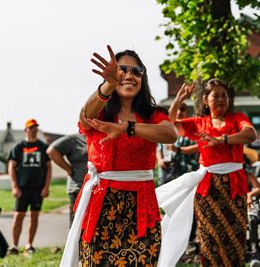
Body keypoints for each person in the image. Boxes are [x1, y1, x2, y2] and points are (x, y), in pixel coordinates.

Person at [60, 46, 177, 267]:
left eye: (137, 71)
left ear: (143, 78)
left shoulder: (152, 114)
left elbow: (170, 134)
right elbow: (85, 117)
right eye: (123, 69)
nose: (130, 75)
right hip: (102, 203)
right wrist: (109, 84)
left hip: (141, 205)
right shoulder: (101, 111)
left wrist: (129, 128)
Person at [156, 79, 257, 266]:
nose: (221, 99)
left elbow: (251, 134)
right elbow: (168, 125)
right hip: (208, 188)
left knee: (236, 237)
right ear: (205, 100)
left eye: (224, 95)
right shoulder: (199, 123)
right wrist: (178, 99)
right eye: (216, 95)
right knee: (209, 238)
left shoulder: (237, 118)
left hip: (234, 184)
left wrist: (221, 140)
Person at [8, 119, 52, 255]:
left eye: (35, 127)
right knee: (18, 216)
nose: (33, 130)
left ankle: (29, 245)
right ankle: (14, 246)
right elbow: (11, 166)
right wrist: (14, 186)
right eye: (31, 127)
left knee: (34, 216)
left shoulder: (43, 147)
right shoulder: (19, 147)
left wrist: (46, 187)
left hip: (38, 188)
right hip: (22, 188)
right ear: (25, 130)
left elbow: (49, 167)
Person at [47, 133, 88, 225]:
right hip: (78, 187)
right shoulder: (74, 139)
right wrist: (68, 169)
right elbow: (52, 151)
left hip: (98, 188)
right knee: (77, 224)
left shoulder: (101, 136)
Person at [157, 102, 199, 186]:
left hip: (185, 173)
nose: (179, 112)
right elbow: (158, 147)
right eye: (176, 109)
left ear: (187, 112)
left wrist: (178, 150)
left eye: (182, 109)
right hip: (167, 172)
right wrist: (160, 160)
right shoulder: (166, 129)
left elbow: (200, 147)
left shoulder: (193, 128)